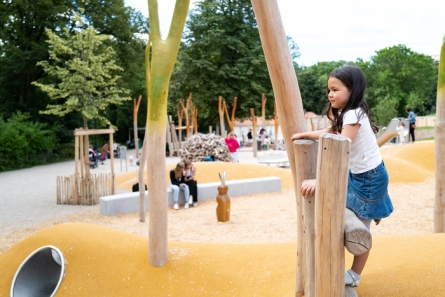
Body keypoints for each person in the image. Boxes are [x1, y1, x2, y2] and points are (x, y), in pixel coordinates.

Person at [291, 65, 393, 288]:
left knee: (361, 231)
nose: (330, 94)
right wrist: (305, 134)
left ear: (352, 89)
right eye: (329, 90)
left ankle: (355, 275)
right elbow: (330, 134)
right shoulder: (348, 114)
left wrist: (320, 181)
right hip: (362, 175)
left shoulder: (354, 114)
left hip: (369, 178)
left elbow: (340, 150)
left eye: (335, 89)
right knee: (352, 212)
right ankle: (373, 209)